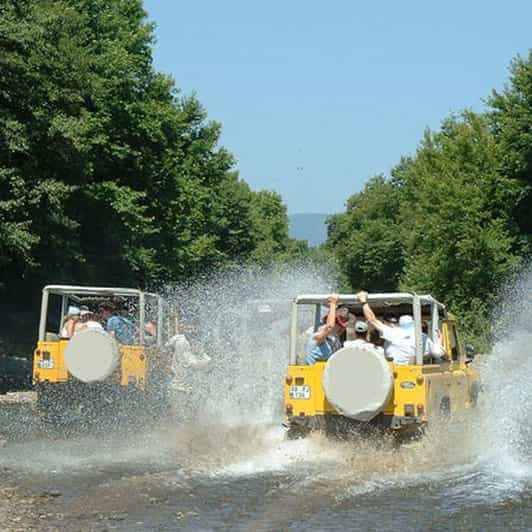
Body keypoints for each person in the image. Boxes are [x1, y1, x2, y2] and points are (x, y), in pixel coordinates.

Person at [357, 291, 446, 365]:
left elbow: (372, 319)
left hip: (393, 371)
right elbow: (437, 352)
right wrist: (439, 341)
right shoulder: (423, 337)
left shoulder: (393, 333)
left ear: (399, 324)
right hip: (412, 371)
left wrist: (363, 302)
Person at [306, 293, 347, 365]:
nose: (338, 329)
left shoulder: (331, 340)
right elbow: (329, 327)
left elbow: (339, 329)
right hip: (315, 374)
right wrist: (333, 303)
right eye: (337, 325)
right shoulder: (316, 338)